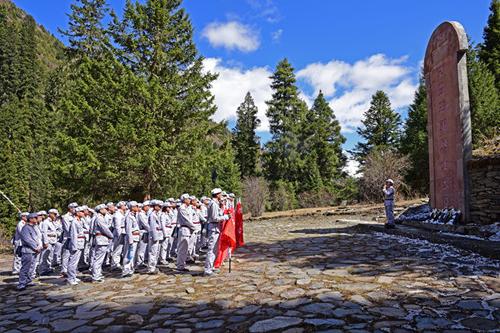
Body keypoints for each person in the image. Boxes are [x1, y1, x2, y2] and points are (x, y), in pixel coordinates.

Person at [204, 188, 230, 276]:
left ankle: (212, 267)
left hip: (216, 227)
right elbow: (215, 218)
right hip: (213, 227)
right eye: (221, 194)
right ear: (217, 195)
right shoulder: (213, 204)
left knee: (215, 248)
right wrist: (226, 217)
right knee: (211, 249)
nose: (221, 196)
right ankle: (208, 270)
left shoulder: (215, 204)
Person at [17, 213, 42, 290]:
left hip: (34, 250)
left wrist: (38, 246)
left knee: (32, 267)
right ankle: (21, 283)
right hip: (28, 250)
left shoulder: (33, 227)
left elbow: (36, 238)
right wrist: (35, 247)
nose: (36, 219)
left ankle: (28, 280)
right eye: (35, 218)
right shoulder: (25, 228)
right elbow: (28, 239)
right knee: (25, 267)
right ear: (30, 219)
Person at [91, 204, 113, 283]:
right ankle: (95, 277)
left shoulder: (100, 217)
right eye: (104, 209)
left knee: (100, 258)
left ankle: (97, 274)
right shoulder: (99, 218)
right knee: (98, 259)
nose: (106, 210)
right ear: (100, 210)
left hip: (103, 239)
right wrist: (111, 236)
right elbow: (105, 229)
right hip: (101, 239)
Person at [176, 194, 196, 272]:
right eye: (188, 199)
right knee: (182, 249)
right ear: (184, 200)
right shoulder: (182, 208)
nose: (189, 200)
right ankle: (180, 266)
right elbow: (186, 220)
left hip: (189, 229)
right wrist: (194, 227)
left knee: (186, 248)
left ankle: (182, 264)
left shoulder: (189, 208)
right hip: (184, 228)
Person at [67, 206, 86, 285]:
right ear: (77, 213)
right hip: (76, 243)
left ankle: (73, 276)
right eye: (81, 211)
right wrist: (74, 246)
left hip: (80, 242)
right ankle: (70, 278)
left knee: (76, 261)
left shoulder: (80, 221)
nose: (83, 213)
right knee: (73, 261)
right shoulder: (74, 222)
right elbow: (73, 234)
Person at [122, 201, 140, 278]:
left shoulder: (133, 215)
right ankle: (125, 270)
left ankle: (130, 269)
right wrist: (130, 241)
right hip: (131, 237)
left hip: (135, 237)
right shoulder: (129, 216)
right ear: (132, 207)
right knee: (128, 254)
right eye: (136, 206)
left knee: (132, 255)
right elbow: (128, 229)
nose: (138, 207)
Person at [39, 209, 59, 275]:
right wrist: (45, 242)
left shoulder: (52, 222)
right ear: (51, 214)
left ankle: (48, 268)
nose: (55, 216)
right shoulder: (46, 222)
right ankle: (42, 270)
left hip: (53, 240)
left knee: (50, 256)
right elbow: (44, 233)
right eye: (55, 214)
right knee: (44, 256)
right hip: (48, 240)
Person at [60, 202, 78, 277]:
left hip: (74, 238)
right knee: (66, 254)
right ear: (70, 208)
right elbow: (67, 229)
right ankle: (64, 270)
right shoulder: (66, 217)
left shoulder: (75, 217)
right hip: (67, 238)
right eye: (74, 207)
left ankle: (72, 270)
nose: (75, 209)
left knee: (73, 255)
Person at [147, 200, 164, 274]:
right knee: (153, 252)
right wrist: (155, 237)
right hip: (154, 235)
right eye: (159, 206)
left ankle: (154, 266)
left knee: (156, 251)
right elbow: (153, 227)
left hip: (158, 234)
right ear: (155, 206)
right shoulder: (152, 215)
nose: (160, 207)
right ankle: (151, 268)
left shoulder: (157, 214)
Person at [111, 201, 127, 270]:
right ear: (121, 206)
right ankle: (114, 264)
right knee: (117, 249)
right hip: (119, 233)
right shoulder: (117, 214)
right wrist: (119, 235)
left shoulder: (123, 213)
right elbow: (117, 226)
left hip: (123, 232)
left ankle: (117, 263)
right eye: (124, 205)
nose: (125, 206)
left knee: (120, 249)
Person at [136, 201, 150, 268]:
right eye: (147, 206)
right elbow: (145, 224)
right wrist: (151, 231)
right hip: (142, 232)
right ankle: (139, 263)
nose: (148, 207)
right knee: (141, 249)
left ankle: (141, 261)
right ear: (144, 207)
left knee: (144, 248)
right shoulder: (141, 214)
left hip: (145, 232)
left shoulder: (144, 214)